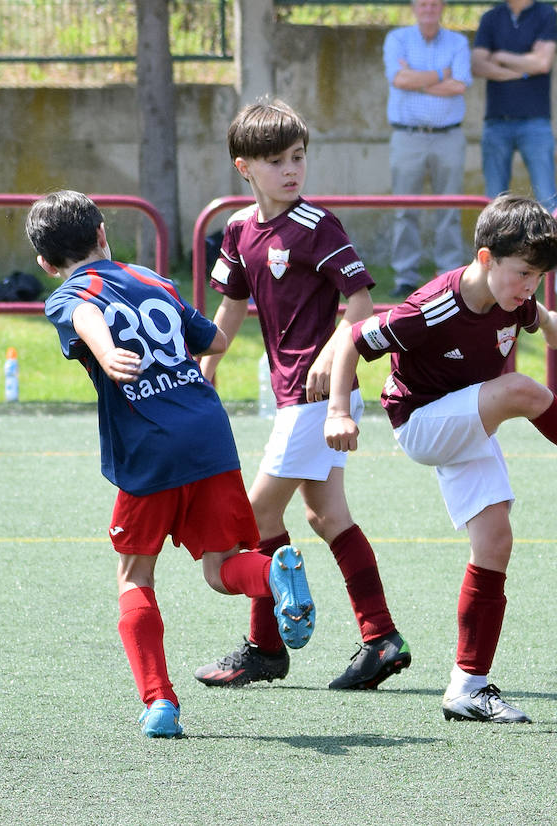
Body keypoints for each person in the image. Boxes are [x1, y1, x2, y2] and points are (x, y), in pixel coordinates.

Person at [323, 194, 557, 723]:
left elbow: (531, 309)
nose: (529, 286)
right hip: (422, 424)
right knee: (520, 389)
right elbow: (353, 343)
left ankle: (467, 688)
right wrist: (340, 409)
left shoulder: (516, 297)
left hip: (467, 419)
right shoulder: (432, 306)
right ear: (483, 259)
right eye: (522, 272)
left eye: (538, 276)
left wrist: (548, 322)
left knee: (495, 542)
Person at [29, 190, 316, 738]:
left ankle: (160, 702)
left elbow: (84, 311)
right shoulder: (151, 278)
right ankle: (273, 572)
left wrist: (108, 350)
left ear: (46, 264)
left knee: (135, 574)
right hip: (208, 437)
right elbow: (214, 339)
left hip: (149, 451)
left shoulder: (68, 294)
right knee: (222, 566)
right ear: (102, 234)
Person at [195, 100, 411, 692]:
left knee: (257, 514)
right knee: (325, 514)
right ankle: (381, 638)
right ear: (245, 168)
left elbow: (362, 308)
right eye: (275, 161)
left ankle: (265, 647)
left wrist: (326, 355)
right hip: (294, 398)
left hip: (322, 398)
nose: (291, 170)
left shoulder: (318, 226)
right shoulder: (239, 231)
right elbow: (232, 305)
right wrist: (208, 362)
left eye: (298, 157)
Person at [472, 0, 557, 293]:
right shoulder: (491, 17)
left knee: (547, 198)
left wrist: (500, 57)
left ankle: (555, 272)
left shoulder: (545, 14)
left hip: (535, 122)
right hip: (496, 122)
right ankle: (490, 270)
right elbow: (477, 64)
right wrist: (522, 67)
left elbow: (543, 62)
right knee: (494, 202)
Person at [384, 0, 472, 298]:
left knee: (450, 209)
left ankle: (448, 274)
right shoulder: (397, 39)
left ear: (443, 6)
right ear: (413, 6)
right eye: (423, 3)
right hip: (408, 136)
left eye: (435, 3)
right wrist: (439, 74)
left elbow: (459, 85)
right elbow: (398, 79)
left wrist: (417, 80)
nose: (429, 8)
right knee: (403, 209)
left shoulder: (458, 42)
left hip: (448, 137)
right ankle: (405, 277)